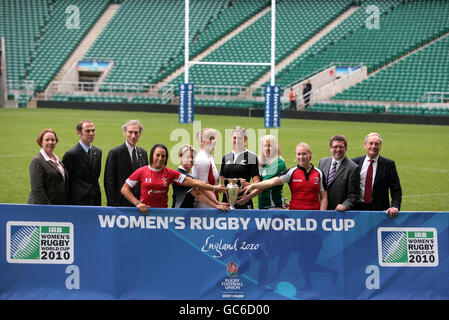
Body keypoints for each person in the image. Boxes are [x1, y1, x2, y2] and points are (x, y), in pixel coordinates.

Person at [121, 143, 226, 215]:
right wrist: (137, 203)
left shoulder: (170, 173)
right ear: (152, 155)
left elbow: (193, 182)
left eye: (163, 156)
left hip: (163, 215)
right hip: (145, 214)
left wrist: (214, 188)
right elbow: (125, 189)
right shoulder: (142, 171)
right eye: (157, 155)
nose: (160, 158)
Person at [242, 142, 328, 211]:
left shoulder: (319, 173)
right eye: (298, 154)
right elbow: (271, 182)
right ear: (296, 155)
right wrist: (253, 185)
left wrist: (321, 215)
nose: (301, 157)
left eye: (304, 154)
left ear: (310, 154)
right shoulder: (291, 172)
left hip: (314, 214)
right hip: (295, 214)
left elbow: (324, 198)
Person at [352, 133, 402, 218]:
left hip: (380, 210)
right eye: (370, 143)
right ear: (365, 145)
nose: (373, 146)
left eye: (377, 144)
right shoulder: (354, 163)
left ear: (380, 146)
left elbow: (396, 189)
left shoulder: (388, 164)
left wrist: (395, 206)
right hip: (357, 209)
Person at [104, 120, 148, 207]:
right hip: (121, 204)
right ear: (124, 132)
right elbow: (109, 182)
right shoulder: (115, 153)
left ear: (140, 134)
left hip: (139, 203)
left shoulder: (143, 153)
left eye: (136, 132)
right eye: (130, 132)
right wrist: (114, 204)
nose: (133, 136)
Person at [172, 144, 229, 211]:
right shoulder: (180, 175)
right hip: (178, 213)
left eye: (192, 157)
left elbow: (201, 188)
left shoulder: (189, 175)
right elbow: (198, 194)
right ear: (181, 158)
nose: (190, 160)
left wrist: (217, 202)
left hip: (187, 213)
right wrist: (215, 205)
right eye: (187, 157)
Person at [219, 126, 261, 209]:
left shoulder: (251, 157)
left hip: (244, 201)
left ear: (245, 139)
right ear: (231, 138)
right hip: (226, 202)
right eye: (234, 138)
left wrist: (247, 185)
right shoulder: (226, 157)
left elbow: (257, 183)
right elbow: (222, 181)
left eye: (240, 138)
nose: (237, 141)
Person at [62, 120, 102, 206]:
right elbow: (66, 181)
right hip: (78, 201)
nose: (91, 133)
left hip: (95, 200)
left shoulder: (98, 152)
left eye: (93, 130)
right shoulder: (71, 154)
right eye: (87, 131)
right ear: (79, 133)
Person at [318, 134, 361, 211]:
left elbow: (353, 195)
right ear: (330, 148)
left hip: (339, 212)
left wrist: (345, 205)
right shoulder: (322, 162)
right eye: (335, 147)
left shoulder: (353, 168)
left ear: (346, 148)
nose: (338, 149)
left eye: (341, 147)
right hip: (321, 209)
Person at [27, 129, 69, 205]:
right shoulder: (37, 161)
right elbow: (37, 190)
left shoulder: (56, 159)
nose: (50, 142)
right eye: (47, 140)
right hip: (42, 207)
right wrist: (48, 208)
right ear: (41, 142)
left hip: (57, 205)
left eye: (53, 140)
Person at [192, 128, 220, 208]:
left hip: (210, 203)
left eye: (213, 138)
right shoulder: (202, 159)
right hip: (205, 206)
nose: (213, 141)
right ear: (201, 141)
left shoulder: (209, 157)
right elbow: (202, 187)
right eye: (209, 139)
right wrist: (216, 204)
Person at [257, 135, 287, 209]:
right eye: (264, 146)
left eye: (270, 146)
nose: (267, 149)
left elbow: (264, 185)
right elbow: (258, 183)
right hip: (262, 206)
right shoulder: (261, 163)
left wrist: (247, 197)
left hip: (274, 206)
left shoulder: (279, 163)